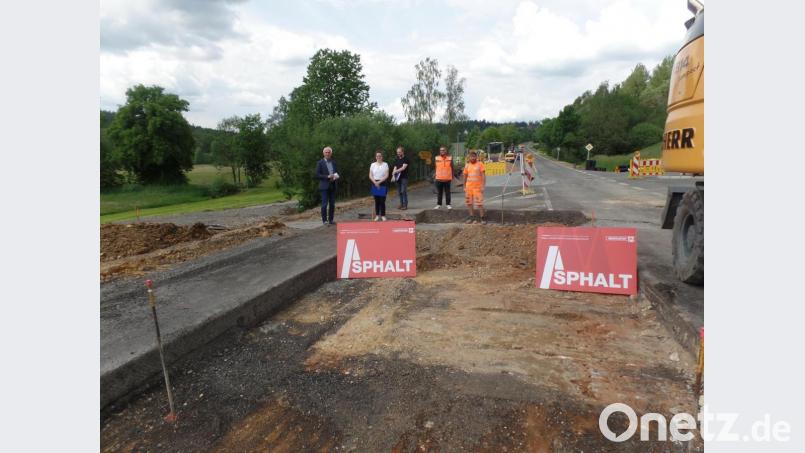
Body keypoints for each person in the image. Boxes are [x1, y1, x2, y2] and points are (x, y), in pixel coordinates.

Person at [315, 146, 338, 226]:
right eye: (326, 152)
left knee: (332, 204)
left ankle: (331, 220)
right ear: (323, 153)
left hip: (333, 185)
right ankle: (324, 221)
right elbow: (317, 175)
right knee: (324, 204)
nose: (327, 153)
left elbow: (336, 172)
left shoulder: (333, 162)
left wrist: (335, 176)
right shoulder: (320, 163)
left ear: (331, 153)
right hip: (324, 186)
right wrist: (327, 176)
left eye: (329, 152)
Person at [462, 150, 487, 224]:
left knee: (479, 203)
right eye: (471, 157)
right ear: (469, 157)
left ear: (476, 157)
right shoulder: (467, 165)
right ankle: (471, 217)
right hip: (468, 188)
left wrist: (483, 186)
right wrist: (464, 186)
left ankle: (482, 218)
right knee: (469, 203)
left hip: (478, 188)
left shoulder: (480, 164)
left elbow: (483, 175)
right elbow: (465, 176)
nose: (472, 158)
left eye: (474, 156)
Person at [369, 150, 390, 221]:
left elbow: (387, 175)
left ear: (382, 157)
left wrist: (379, 182)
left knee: (382, 200)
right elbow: (370, 175)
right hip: (374, 182)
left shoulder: (385, 164)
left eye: (380, 156)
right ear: (375, 157)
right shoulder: (372, 165)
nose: (378, 157)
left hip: (383, 183)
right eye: (377, 156)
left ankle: (383, 215)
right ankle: (377, 215)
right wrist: (375, 182)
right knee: (377, 200)